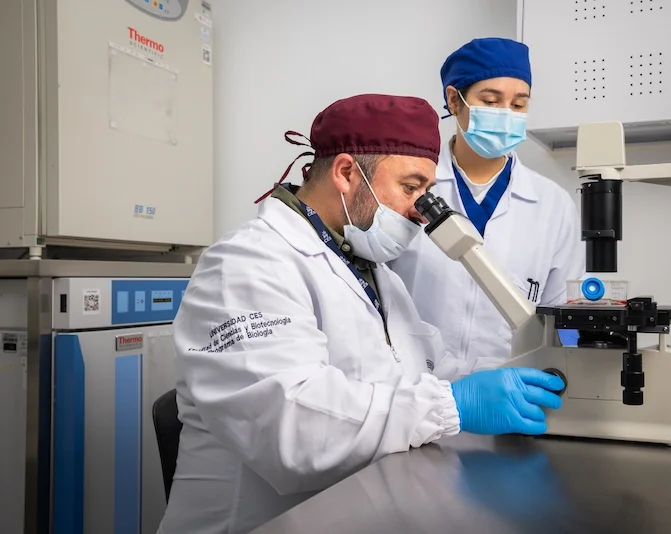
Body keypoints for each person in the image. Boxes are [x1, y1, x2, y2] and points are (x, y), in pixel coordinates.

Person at [157, 93, 566, 534]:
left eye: (427, 192)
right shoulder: (246, 264)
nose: (420, 210)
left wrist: (518, 381)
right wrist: (454, 405)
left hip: (351, 510)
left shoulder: (373, 273)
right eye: (411, 188)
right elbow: (292, 427)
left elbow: (430, 370)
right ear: (347, 173)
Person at [390, 37, 585, 369]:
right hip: (413, 388)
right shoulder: (407, 187)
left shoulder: (553, 205)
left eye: (519, 104)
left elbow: (566, 315)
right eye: (491, 101)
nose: (506, 115)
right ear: (454, 100)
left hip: (513, 389)